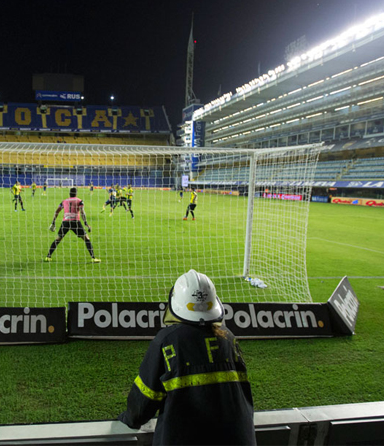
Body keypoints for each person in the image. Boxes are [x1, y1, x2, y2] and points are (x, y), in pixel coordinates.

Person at [118, 269, 255, 445]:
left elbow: (143, 402)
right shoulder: (229, 338)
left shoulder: (167, 340)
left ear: (175, 303)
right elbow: (244, 396)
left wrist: (128, 419)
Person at [45, 187, 100, 263]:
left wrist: (53, 222)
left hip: (65, 222)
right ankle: (93, 258)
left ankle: (48, 256)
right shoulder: (79, 201)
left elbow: (56, 211)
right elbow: (82, 212)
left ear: (69, 194)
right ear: (76, 193)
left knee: (58, 239)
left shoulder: (64, 201)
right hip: (75, 222)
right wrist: (86, 223)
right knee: (86, 238)